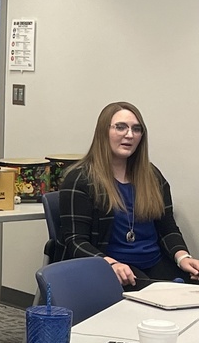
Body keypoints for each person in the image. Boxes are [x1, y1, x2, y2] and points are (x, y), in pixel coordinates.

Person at [59, 101, 199, 287]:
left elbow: (167, 228)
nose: (130, 135)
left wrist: (183, 257)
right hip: (115, 267)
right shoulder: (80, 179)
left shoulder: (152, 176)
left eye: (136, 129)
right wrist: (110, 263)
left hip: (156, 262)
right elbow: (75, 242)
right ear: (103, 132)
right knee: (155, 299)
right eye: (120, 127)